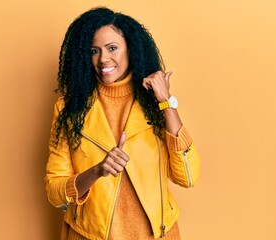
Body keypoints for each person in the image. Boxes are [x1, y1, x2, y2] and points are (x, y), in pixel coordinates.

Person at [45, 7, 201, 240]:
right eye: (94, 51)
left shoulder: (153, 103)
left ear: (132, 49)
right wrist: (97, 170)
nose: (103, 59)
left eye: (112, 48)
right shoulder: (68, 109)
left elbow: (187, 177)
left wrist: (166, 101)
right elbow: (54, 191)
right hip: (89, 235)